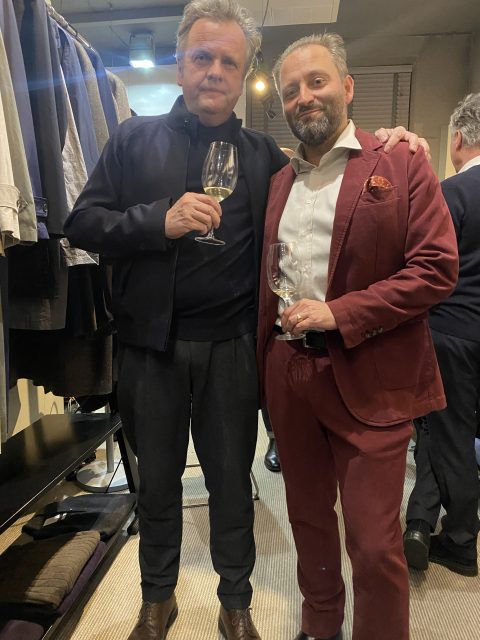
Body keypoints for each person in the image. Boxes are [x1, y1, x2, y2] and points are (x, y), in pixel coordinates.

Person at [63, 1, 430, 637]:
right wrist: (156, 221)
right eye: (201, 57)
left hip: (233, 350)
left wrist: (396, 142)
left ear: (243, 75)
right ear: (181, 64)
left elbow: (330, 168)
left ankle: (236, 602)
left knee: (233, 486)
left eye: (229, 62)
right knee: (157, 486)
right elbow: (81, 224)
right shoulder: (130, 140)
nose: (214, 71)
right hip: (149, 349)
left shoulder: (266, 156)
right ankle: (157, 599)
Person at [256, 34, 458, 640]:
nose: (303, 97)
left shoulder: (401, 161)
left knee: (373, 542)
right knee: (308, 520)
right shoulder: (278, 182)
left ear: (347, 87)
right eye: (291, 90)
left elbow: (435, 268)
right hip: (289, 374)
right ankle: (320, 626)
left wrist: (338, 313)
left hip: (373, 373)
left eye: (316, 81)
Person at [404, 93, 480, 578]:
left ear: (457, 139)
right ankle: (421, 521)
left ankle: (461, 539)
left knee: (449, 436)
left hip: (453, 332)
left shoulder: (452, 194)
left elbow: (425, 267)